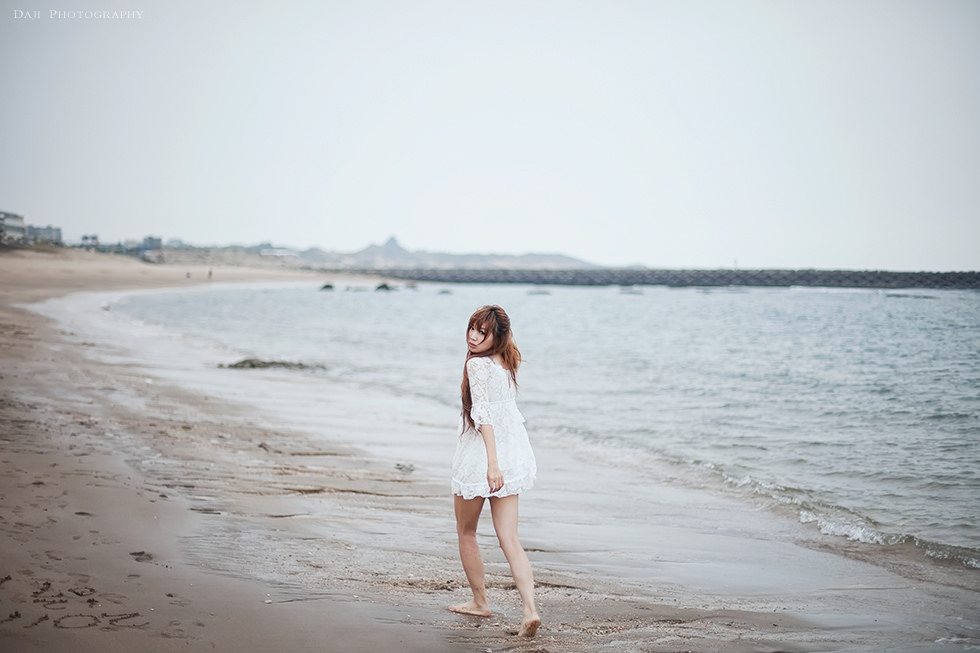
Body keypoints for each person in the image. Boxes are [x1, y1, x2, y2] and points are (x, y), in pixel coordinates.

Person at [449, 305, 540, 638]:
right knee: (510, 538)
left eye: (482, 332)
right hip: (512, 455)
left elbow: (483, 414)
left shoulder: (476, 364)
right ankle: (530, 610)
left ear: (496, 337)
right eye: (472, 328)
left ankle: (480, 602)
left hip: (483, 457)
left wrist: (491, 463)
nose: (473, 337)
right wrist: (501, 462)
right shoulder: (506, 361)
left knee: (466, 531)